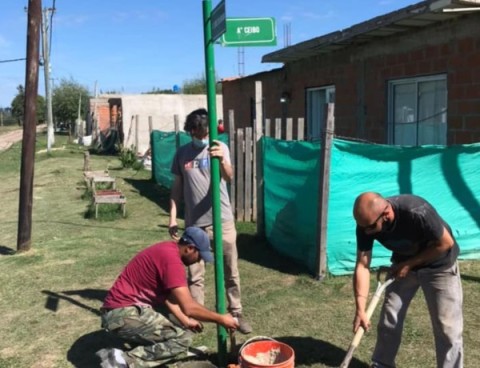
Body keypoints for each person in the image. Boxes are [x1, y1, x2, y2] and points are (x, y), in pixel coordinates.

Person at [97, 227, 239, 368]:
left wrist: (185, 320)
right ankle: (121, 360)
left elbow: (167, 296)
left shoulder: (168, 250)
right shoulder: (172, 262)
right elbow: (189, 307)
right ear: (190, 248)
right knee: (182, 338)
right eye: (199, 255)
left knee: (175, 328)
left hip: (120, 310)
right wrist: (221, 319)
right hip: (121, 314)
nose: (199, 260)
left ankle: (136, 353)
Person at [352, 192, 463, 368]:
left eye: (370, 227)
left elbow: (445, 243)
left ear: (386, 215)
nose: (366, 232)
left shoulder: (417, 211)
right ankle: (382, 364)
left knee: (447, 328)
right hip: (403, 263)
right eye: (362, 227)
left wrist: (410, 264)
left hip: (439, 265)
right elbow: (362, 266)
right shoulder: (366, 223)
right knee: (390, 318)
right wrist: (360, 309)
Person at [169, 108, 252, 334]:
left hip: (222, 220)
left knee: (230, 269)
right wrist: (173, 218)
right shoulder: (182, 154)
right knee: (195, 274)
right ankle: (195, 315)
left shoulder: (219, 147)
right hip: (195, 225)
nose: (203, 136)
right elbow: (176, 188)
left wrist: (221, 160)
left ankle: (236, 313)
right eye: (198, 131)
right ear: (191, 130)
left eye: (206, 131)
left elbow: (229, 176)